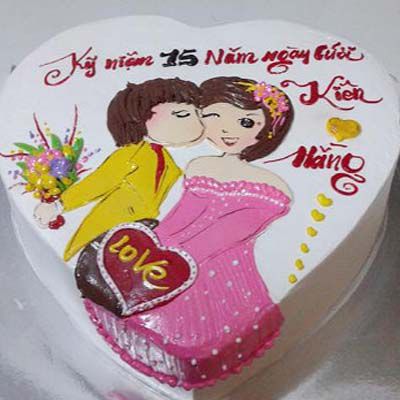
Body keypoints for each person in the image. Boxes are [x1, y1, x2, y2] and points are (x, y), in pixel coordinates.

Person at [82, 76, 295, 386]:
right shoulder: (200, 166)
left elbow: (232, 231)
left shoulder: (272, 185)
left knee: (206, 330)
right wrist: (151, 248)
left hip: (222, 268)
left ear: (267, 130)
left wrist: (178, 257)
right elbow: (180, 216)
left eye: (246, 122)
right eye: (214, 116)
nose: (227, 130)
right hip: (165, 258)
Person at [34, 78, 204, 261]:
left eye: (198, 114)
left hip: (137, 236)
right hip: (107, 227)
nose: (198, 124)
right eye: (181, 115)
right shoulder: (130, 155)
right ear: (140, 115)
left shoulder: (171, 165)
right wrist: (58, 205)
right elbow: (97, 183)